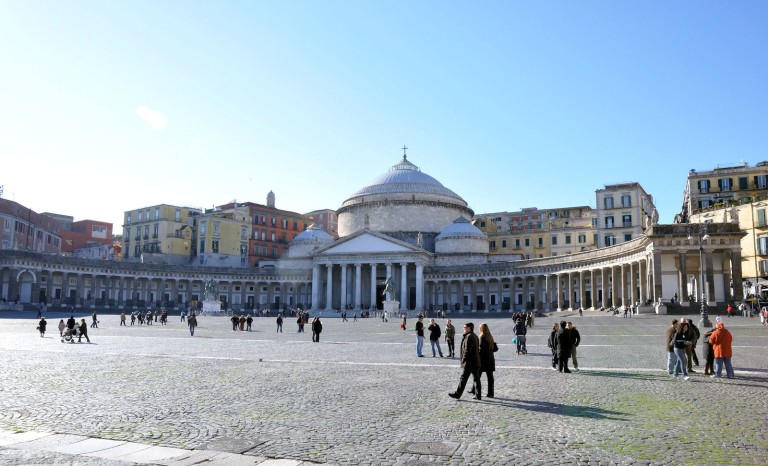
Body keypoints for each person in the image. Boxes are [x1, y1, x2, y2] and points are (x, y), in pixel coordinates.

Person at [448, 322, 482, 400]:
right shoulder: (475, 336)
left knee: (463, 379)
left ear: (469, 328)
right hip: (476, 361)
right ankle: (478, 395)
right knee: (476, 379)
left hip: (469, 362)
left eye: (465, 327)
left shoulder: (469, 337)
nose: (464, 328)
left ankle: (457, 394)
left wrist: (463, 359)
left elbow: (467, 350)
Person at [473, 323, 496, 398]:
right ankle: (491, 393)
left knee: (477, 376)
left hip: (483, 359)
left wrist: (478, 358)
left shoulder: (482, 337)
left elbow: (481, 349)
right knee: (490, 377)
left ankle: (476, 392)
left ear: (482, 329)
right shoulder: (490, 336)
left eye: (480, 328)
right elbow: (494, 348)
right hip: (491, 358)